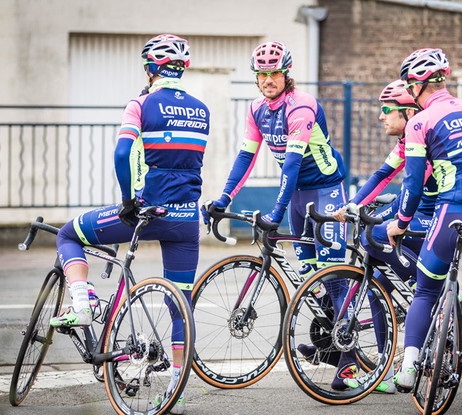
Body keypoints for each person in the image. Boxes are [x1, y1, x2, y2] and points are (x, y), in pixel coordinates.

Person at [51, 34, 209, 415]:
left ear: (150, 68)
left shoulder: (141, 103)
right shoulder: (202, 109)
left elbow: (123, 152)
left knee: (68, 234)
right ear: (182, 68)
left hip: (147, 211)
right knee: (179, 306)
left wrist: (126, 201)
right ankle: (176, 393)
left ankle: (83, 299)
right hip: (187, 218)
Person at [201, 41, 356, 390]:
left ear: (286, 74)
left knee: (332, 275)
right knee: (309, 277)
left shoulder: (301, 106)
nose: (268, 79)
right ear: (256, 78)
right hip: (299, 196)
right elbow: (246, 157)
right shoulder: (257, 109)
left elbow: (293, 161)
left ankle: (348, 361)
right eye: (262, 74)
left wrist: (276, 210)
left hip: (326, 192)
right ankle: (329, 344)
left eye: (274, 73)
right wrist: (224, 197)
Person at [386, 48, 462, 415]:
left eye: (410, 85)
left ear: (417, 85)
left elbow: (411, 184)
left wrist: (401, 224)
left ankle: (408, 367)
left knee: (426, 290)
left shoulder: (420, 122)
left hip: (452, 213)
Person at [316, 79, 438, 394]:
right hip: (416, 211)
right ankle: (383, 368)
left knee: (373, 236)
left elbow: (410, 190)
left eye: (386, 110)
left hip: (433, 215)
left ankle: (425, 289)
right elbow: (382, 176)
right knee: (375, 288)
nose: (381, 117)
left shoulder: (423, 139)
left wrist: (380, 216)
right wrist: (353, 205)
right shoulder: (404, 143)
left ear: (409, 112)